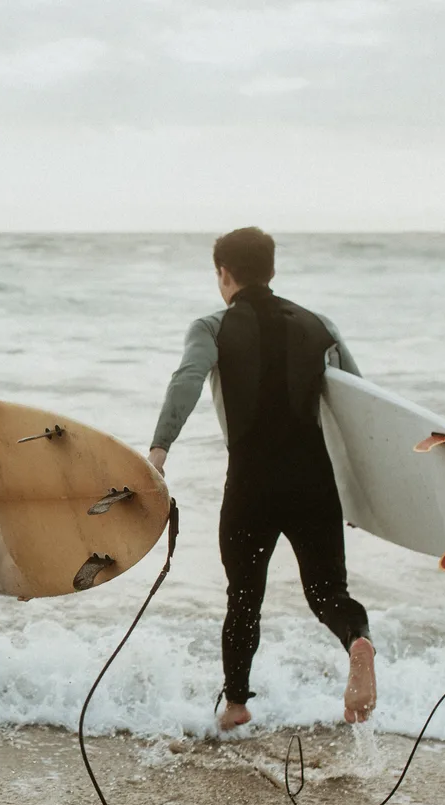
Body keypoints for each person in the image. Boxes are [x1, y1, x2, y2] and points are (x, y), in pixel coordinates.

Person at [147, 227, 376, 731]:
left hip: (253, 481)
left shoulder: (212, 327)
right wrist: (364, 496)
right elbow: (360, 405)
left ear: (223, 274)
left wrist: (159, 450)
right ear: (271, 270)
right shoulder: (320, 326)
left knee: (244, 595)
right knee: (327, 593)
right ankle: (357, 640)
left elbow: (186, 380)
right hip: (315, 480)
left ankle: (236, 704)